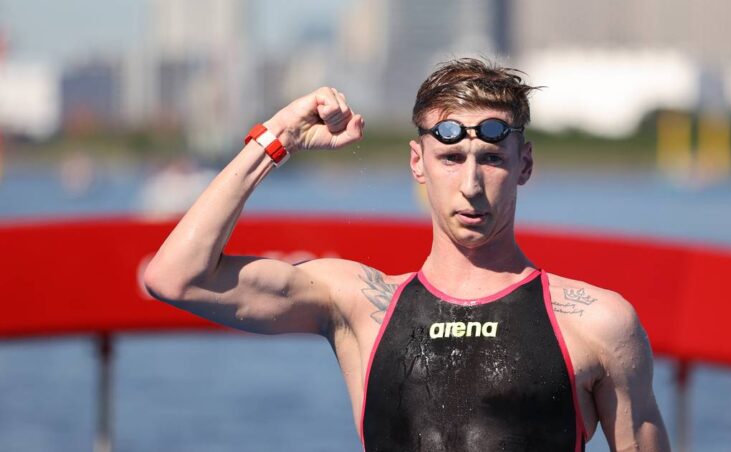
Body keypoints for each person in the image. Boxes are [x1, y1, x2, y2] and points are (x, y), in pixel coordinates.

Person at [144, 58, 670, 451]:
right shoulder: (361, 305)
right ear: (417, 162)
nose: (471, 185)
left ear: (524, 164)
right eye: (450, 158)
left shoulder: (597, 323)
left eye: (491, 158)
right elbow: (176, 278)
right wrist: (276, 137)